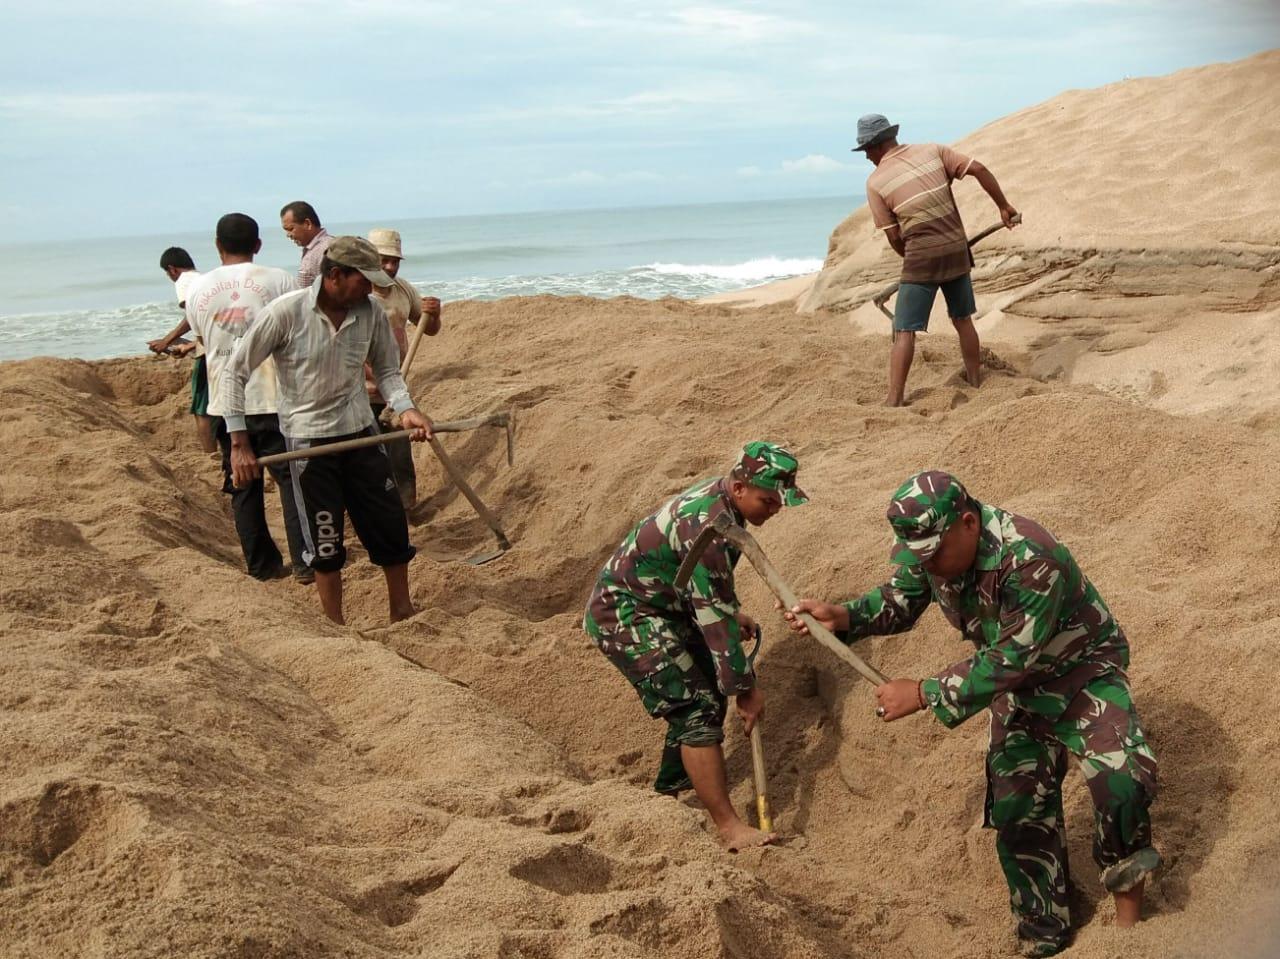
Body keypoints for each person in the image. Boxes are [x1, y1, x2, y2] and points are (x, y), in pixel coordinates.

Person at [782, 471, 1159, 956]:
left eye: (935, 555)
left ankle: (1130, 932)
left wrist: (923, 693)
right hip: (1019, 689)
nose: (930, 568)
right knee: (1017, 808)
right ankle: (1045, 934)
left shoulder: (1029, 556)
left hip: (1081, 672)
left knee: (1123, 780)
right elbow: (901, 599)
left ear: (967, 523)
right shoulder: (934, 549)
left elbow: (1008, 659)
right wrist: (846, 616)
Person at [583, 442, 808, 851]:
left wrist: (727, 613)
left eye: (780, 502)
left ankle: (666, 796)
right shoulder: (709, 523)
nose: (775, 510)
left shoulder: (724, 508)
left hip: (664, 605)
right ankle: (729, 828)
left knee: (704, 688)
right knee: (697, 705)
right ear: (739, 488)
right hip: (625, 615)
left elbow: (704, 589)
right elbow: (713, 616)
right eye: (768, 500)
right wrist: (746, 690)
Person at [225, 236, 434, 626]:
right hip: (309, 443)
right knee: (325, 541)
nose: (372, 289)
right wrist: (239, 442)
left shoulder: (369, 311)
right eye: (363, 280)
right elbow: (234, 372)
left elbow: (387, 371)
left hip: (361, 434)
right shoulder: (285, 313)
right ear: (335, 275)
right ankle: (334, 623)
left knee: (390, 526)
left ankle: (401, 609)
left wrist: (406, 409)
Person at [852, 114, 1020, 407]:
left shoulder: (876, 182)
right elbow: (978, 168)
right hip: (956, 249)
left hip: (921, 258)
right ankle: (974, 379)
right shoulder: (933, 150)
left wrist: (913, 261)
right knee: (962, 319)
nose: (866, 156)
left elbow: (894, 237)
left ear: (876, 145)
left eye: (866, 149)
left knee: (904, 330)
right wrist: (1003, 207)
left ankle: (894, 399)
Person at [183, 213, 310, 583]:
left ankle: (262, 565)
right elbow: (298, 332)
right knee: (291, 479)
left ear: (218, 246)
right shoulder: (279, 280)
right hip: (274, 395)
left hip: (226, 400)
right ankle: (304, 560)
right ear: (257, 245)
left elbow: (203, 338)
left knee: (242, 481)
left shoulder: (198, 290)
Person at [364, 227, 443, 508]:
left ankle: (407, 510)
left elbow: (429, 329)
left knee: (399, 458)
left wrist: (433, 315)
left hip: (395, 392)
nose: (389, 266)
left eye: (394, 261)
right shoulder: (359, 294)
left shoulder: (402, 290)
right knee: (367, 461)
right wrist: (385, 384)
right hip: (362, 395)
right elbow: (355, 355)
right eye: (383, 260)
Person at [148, 248, 215, 452]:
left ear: (172, 269)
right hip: (217, 343)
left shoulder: (184, 281)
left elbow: (191, 317)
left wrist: (166, 341)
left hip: (209, 351)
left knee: (201, 408)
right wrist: (187, 345)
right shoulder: (205, 278)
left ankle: (209, 454)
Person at [279, 201, 333, 287]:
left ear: (307, 224)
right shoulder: (313, 249)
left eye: (291, 229)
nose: (288, 235)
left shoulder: (326, 249)